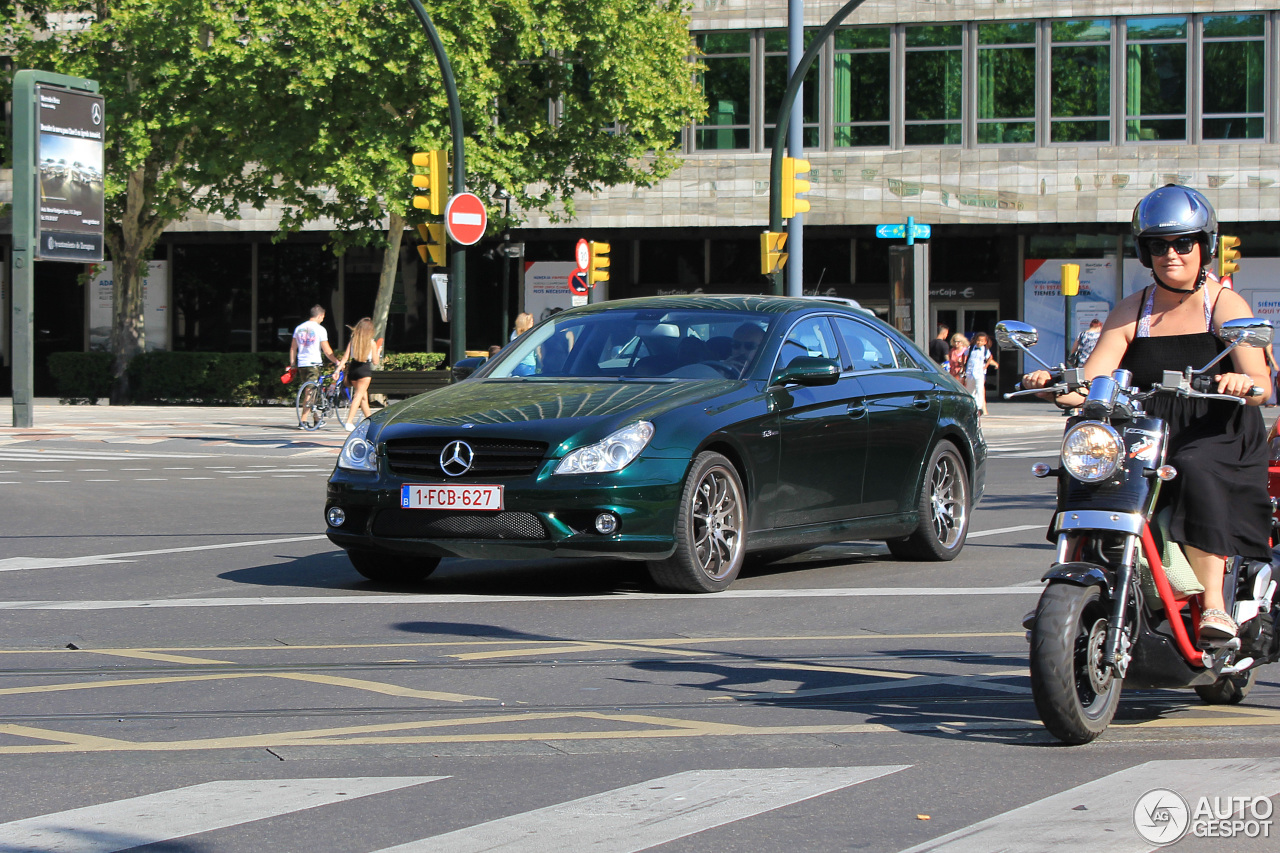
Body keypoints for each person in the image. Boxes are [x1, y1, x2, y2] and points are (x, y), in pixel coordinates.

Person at [1023, 184, 1271, 641]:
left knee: (1192, 467)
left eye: (1183, 243)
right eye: (1158, 245)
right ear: (1145, 251)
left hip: (1215, 430)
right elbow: (1093, 382)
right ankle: (1080, 582)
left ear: (1205, 246)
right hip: (1147, 434)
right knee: (1089, 469)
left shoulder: (1224, 304)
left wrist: (1239, 382)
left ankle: (1214, 605)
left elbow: (1260, 385)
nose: (1171, 254)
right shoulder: (1132, 311)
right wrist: (1053, 387)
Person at [290, 305, 340, 428]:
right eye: (323, 317)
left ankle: (316, 418)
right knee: (310, 392)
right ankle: (303, 420)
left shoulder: (299, 328)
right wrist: (336, 361)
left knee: (311, 391)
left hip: (302, 363)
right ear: (319, 316)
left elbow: (293, 347)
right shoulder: (320, 329)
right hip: (314, 363)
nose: (323, 319)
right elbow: (327, 350)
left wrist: (292, 363)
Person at [338, 317, 379, 431]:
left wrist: (337, 370)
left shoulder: (353, 341)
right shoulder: (371, 343)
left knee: (363, 398)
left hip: (353, 370)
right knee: (358, 396)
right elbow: (375, 361)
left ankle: (371, 422)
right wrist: (378, 351)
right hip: (364, 370)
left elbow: (346, 357)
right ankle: (349, 421)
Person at [965, 331, 998, 415]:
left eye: (981, 341)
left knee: (979, 389)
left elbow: (990, 358)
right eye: (978, 340)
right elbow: (964, 355)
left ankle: (979, 406)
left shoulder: (985, 350)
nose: (979, 342)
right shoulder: (971, 348)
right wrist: (962, 365)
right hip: (970, 372)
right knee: (970, 389)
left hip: (979, 372)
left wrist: (985, 366)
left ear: (985, 342)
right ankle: (970, 405)